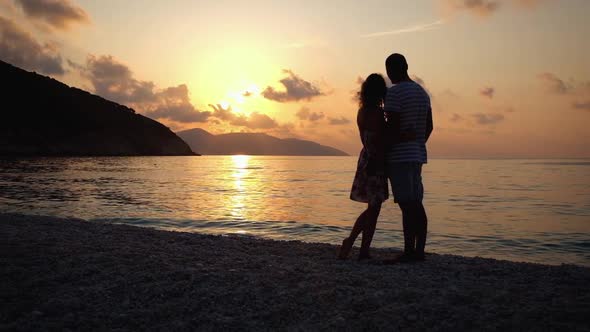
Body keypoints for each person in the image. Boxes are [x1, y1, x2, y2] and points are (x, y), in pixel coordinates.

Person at [383, 53, 433, 263]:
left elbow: (392, 128)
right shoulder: (422, 93)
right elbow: (429, 126)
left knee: (408, 204)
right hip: (417, 155)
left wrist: (386, 148)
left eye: (388, 70)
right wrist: (418, 143)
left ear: (392, 70)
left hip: (400, 156)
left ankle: (411, 252)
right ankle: (416, 250)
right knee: (413, 202)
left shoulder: (395, 93)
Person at [338, 73, 389, 260]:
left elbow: (367, 139)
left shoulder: (362, 112)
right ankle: (357, 246)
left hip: (366, 157)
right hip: (375, 160)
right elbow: (382, 140)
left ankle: (357, 246)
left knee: (372, 208)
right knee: (374, 209)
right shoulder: (377, 114)